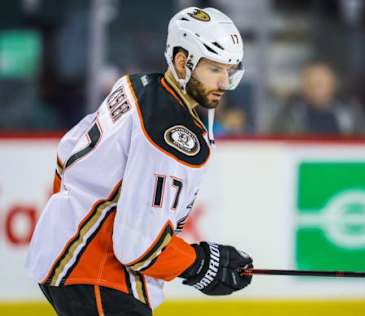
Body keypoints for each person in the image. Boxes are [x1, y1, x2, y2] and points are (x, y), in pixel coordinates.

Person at [26, 7, 253, 316]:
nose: (224, 82)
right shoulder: (171, 134)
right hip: (101, 277)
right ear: (182, 62)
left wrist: (68, 219)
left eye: (230, 71)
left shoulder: (135, 86)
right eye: (215, 70)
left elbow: (68, 152)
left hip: (66, 261)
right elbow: (137, 246)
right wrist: (199, 264)